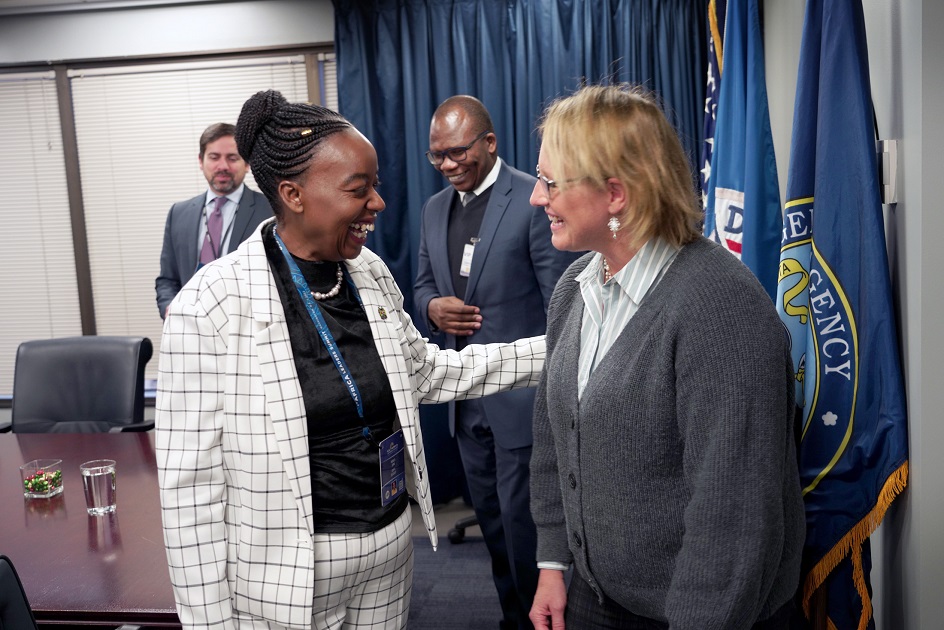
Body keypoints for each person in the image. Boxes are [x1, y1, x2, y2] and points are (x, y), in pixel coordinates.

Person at [154, 90, 546, 630]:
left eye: (375, 186)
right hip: (287, 576)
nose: (378, 204)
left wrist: (558, 349)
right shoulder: (210, 306)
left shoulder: (369, 272)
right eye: (359, 190)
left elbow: (427, 372)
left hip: (390, 549)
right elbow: (189, 494)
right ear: (292, 194)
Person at [527, 84, 805, 630]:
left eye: (550, 182)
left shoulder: (719, 307)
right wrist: (554, 562)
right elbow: (553, 441)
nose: (538, 197)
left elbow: (733, 515)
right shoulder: (575, 287)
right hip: (594, 598)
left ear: (615, 195)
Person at [413, 95, 579, 630]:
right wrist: (432, 307)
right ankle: (515, 619)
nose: (448, 164)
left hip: (525, 405)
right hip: (466, 406)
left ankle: (548, 622)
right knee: (491, 525)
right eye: (437, 155)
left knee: (529, 531)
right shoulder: (434, 209)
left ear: (489, 142)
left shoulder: (532, 200)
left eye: (458, 151)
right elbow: (420, 286)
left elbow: (563, 303)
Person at [155, 122, 273, 318]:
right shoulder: (178, 213)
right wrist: (170, 309)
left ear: (247, 163)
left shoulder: (271, 211)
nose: (223, 166)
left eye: (232, 158)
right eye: (214, 157)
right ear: (201, 161)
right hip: (191, 328)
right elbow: (167, 279)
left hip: (248, 328)